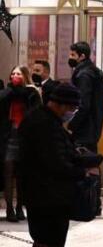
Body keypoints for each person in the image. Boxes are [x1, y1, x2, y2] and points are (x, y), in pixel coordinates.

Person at [19, 82, 97, 247]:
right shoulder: (46, 125)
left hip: (42, 194)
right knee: (50, 239)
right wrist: (82, 172)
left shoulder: (43, 119)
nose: (72, 113)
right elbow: (55, 163)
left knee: (44, 240)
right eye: (72, 109)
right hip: (48, 196)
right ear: (61, 105)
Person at [1, 66, 41, 221]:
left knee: (22, 174)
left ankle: (19, 207)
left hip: (25, 137)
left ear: (25, 76)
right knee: (8, 172)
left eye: (18, 73)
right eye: (13, 74)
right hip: (9, 136)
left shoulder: (31, 93)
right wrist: (11, 90)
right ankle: (9, 208)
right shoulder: (7, 92)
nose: (15, 76)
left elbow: (37, 112)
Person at [68, 41, 103, 151]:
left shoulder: (84, 75)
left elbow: (83, 104)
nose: (70, 58)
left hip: (84, 129)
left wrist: (71, 125)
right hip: (92, 127)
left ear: (82, 56)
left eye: (73, 55)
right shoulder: (91, 72)